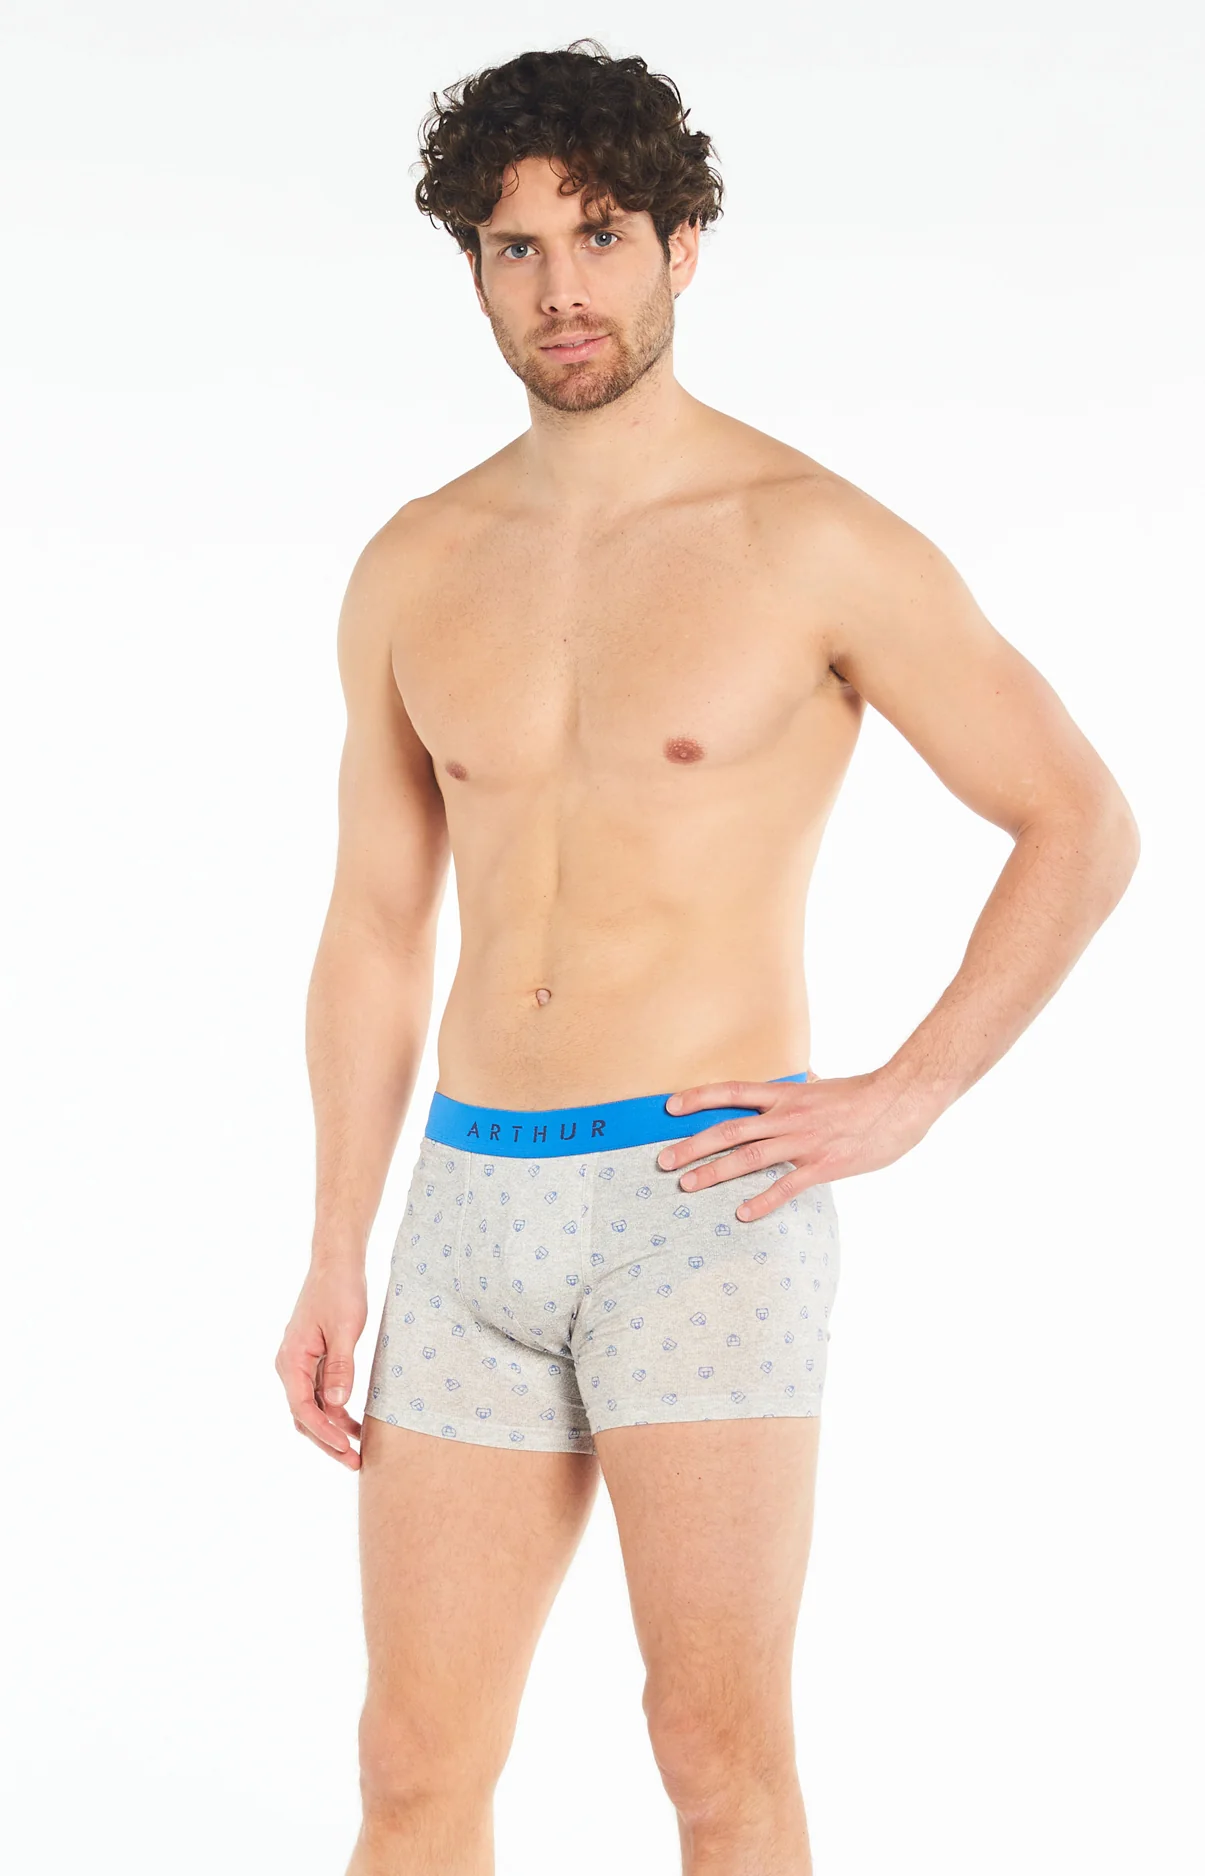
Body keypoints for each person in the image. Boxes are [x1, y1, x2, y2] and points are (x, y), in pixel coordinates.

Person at [275, 39, 1140, 1876]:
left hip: (704, 1200)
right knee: (411, 1761)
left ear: (683, 245)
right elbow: (373, 923)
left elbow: (1078, 820)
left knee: (715, 1753)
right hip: (468, 1205)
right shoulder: (415, 562)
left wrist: (907, 1094)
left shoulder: (809, 539)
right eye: (515, 248)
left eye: (600, 235)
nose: (560, 288)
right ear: (472, 269)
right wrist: (338, 1239)